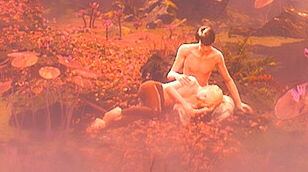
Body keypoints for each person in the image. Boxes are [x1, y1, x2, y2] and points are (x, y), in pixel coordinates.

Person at [88, 26, 247, 132]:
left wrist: (238, 103)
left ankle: (106, 123)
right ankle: (115, 113)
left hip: (188, 96)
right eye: (202, 45)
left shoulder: (216, 56)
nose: (205, 49)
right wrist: (179, 76)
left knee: (141, 118)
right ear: (198, 41)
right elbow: (171, 75)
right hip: (172, 89)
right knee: (153, 112)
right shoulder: (186, 51)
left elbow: (227, 80)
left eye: (208, 45)